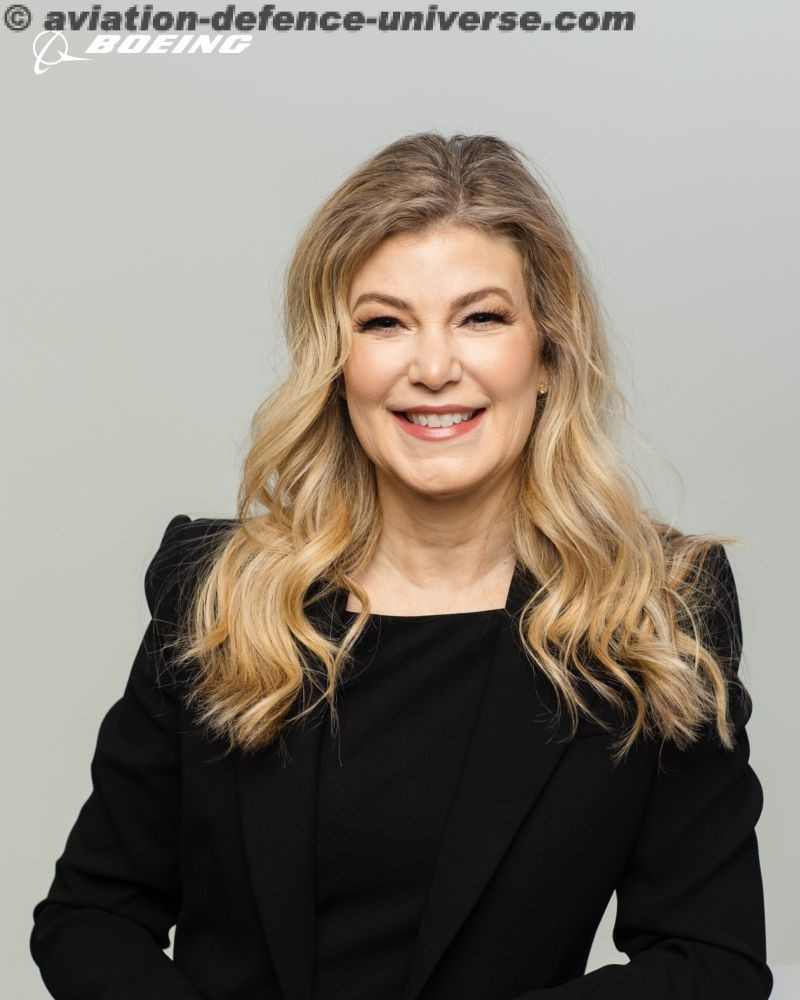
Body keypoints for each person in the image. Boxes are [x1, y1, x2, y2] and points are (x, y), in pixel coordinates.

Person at [29, 131, 772, 1000]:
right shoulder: (219, 589)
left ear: (548, 355)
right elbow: (92, 916)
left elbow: (711, 962)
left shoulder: (656, 609)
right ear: (336, 363)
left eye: (481, 318)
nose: (433, 368)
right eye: (385, 322)